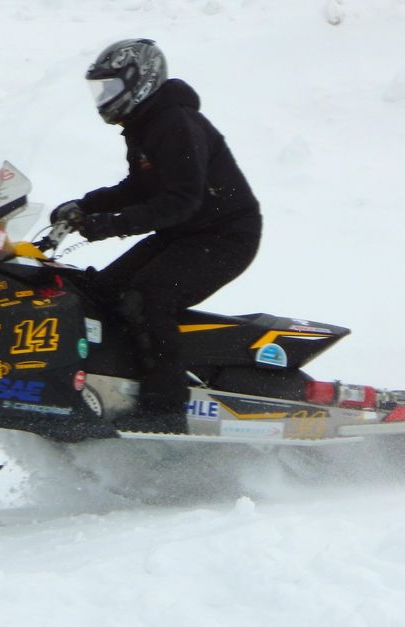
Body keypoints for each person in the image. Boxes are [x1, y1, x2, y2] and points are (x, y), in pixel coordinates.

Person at [51, 38, 261, 434]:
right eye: (101, 90)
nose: (104, 99)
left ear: (141, 82)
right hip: (186, 232)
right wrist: (85, 205)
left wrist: (107, 225)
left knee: (149, 298)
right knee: (101, 292)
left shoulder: (175, 123)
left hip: (225, 235)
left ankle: (165, 411)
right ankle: (110, 383)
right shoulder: (145, 125)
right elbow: (141, 188)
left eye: (110, 88)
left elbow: (181, 200)